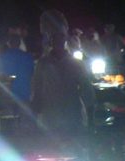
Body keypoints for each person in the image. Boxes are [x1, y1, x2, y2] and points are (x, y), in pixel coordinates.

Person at [31, 10, 95, 149]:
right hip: (51, 120)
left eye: (61, 37)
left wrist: (90, 118)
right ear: (51, 40)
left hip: (72, 118)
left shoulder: (76, 64)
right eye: (55, 38)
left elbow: (87, 90)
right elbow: (37, 91)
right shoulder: (43, 64)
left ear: (65, 39)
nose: (58, 41)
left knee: (75, 156)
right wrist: (35, 117)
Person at [0, 34, 34, 107]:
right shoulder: (28, 57)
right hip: (24, 93)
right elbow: (32, 74)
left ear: (9, 43)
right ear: (19, 43)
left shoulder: (2, 57)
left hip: (8, 94)